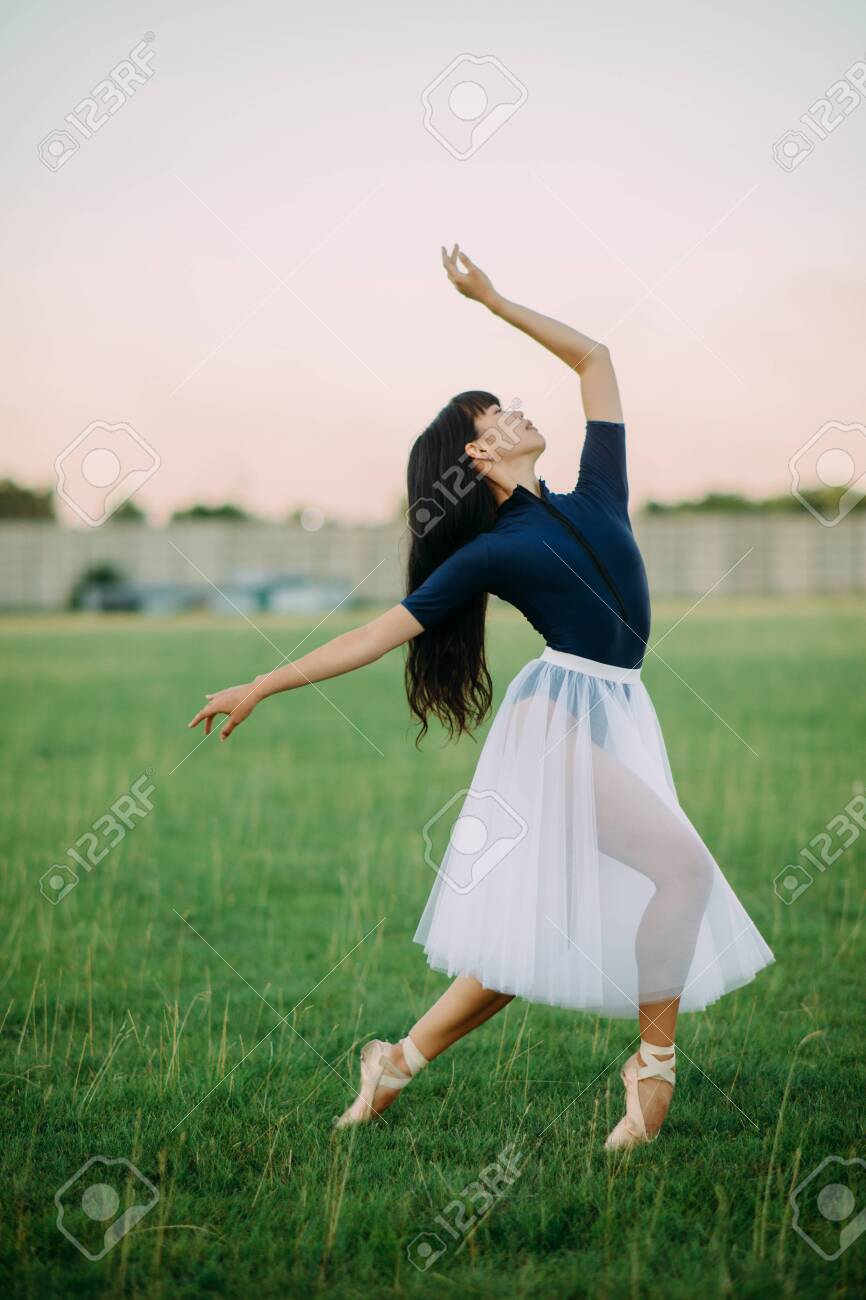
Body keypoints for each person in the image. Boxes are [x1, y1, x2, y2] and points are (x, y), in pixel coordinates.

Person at [188, 245, 775, 1149]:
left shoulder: (599, 494)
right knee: (684, 870)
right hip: (557, 722)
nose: (515, 408)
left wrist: (494, 299)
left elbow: (596, 361)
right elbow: (374, 633)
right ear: (478, 451)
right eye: (494, 411)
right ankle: (651, 1075)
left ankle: (394, 1063)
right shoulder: (493, 550)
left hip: (617, 710)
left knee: (526, 942)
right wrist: (262, 683)